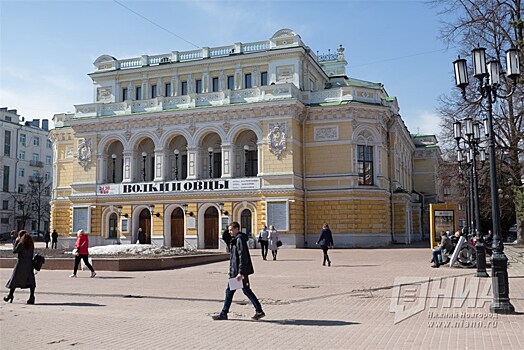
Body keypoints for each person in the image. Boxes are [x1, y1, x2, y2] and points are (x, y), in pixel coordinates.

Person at [212, 221, 265, 321]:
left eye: (231, 230)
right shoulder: (235, 239)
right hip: (235, 271)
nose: (230, 232)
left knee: (233, 291)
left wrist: (241, 272)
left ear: (237, 229)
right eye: (229, 230)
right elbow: (233, 257)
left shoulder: (239, 239)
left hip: (239, 272)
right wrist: (231, 270)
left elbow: (242, 256)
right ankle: (258, 311)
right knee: (242, 291)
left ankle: (224, 313)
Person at [4, 230, 36, 304]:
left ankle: (10, 295)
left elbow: (14, 251)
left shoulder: (21, 244)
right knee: (31, 281)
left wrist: (16, 241)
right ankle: (32, 297)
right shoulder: (31, 245)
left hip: (20, 264)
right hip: (29, 264)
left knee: (14, 280)